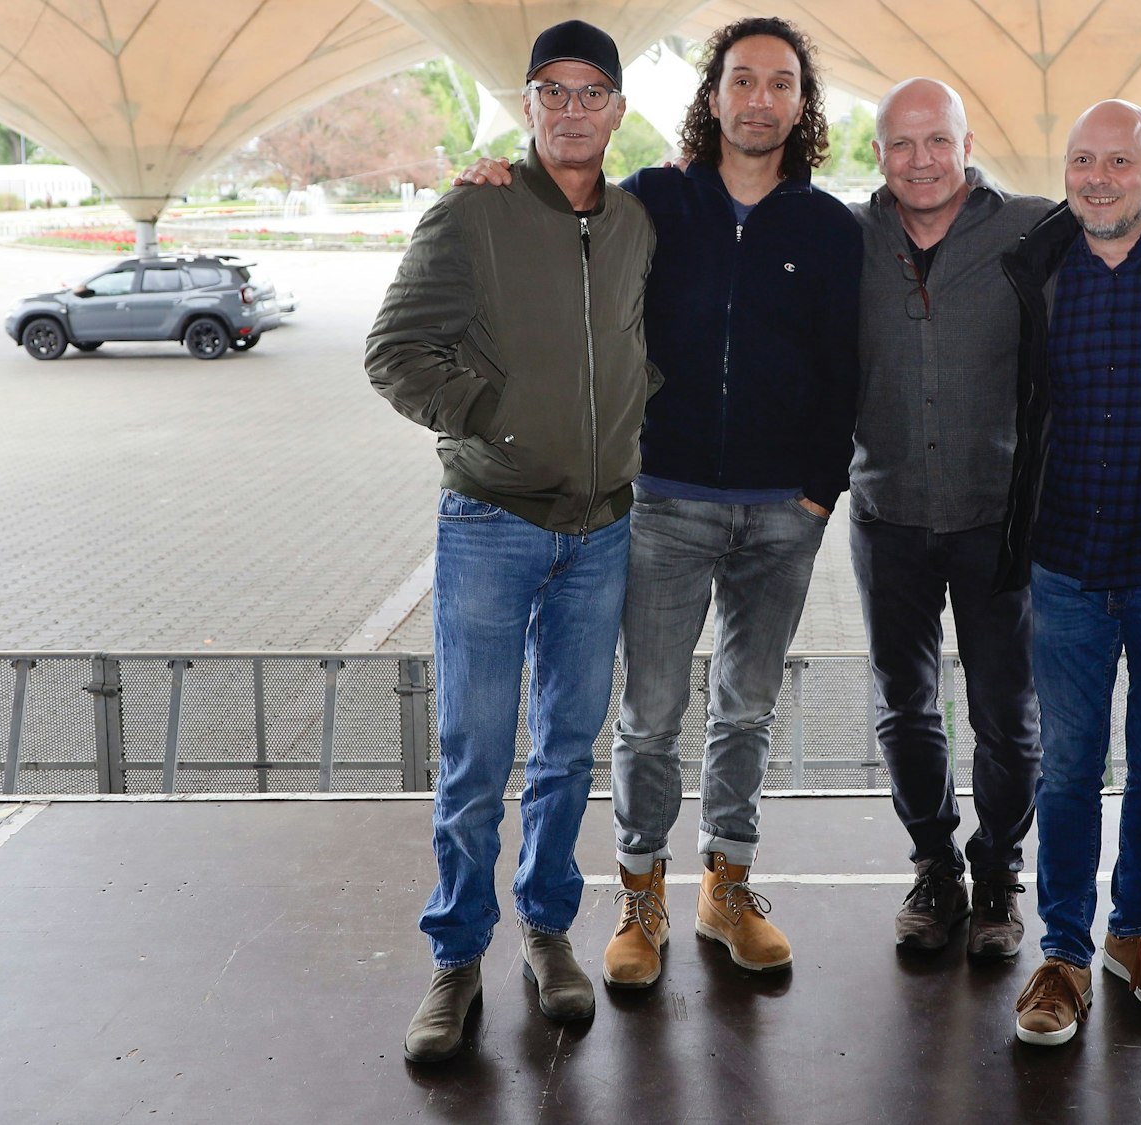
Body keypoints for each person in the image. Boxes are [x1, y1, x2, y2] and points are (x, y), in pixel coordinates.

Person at [456, 15, 860, 986]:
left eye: (779, 83)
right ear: (712, 96)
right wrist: (497, 180)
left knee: (747, 709)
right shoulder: (652, 203)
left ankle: (727, 888)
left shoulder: (827, 226)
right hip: (667, 505)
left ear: (799, 106)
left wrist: (817, 493)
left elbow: (849, 367)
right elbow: (559, 214)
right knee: (650, 712)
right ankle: (642, 896)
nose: (759, 98)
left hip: (781, 516)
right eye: (741, 80)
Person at [365, 20, 657, 1063]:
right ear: (526, 108)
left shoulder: (632, 222)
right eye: (553, 92)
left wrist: (624, 425)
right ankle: (453, 957)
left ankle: (545, 933)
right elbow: (395, 352)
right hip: (491, 520)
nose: (573, 109)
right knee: (476, 756)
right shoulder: (472, 213)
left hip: (604, 526)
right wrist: (492, 415)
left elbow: (639, 344)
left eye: (592, 92)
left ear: (617, 109)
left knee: (569, 751)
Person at [996, 100, 1141, 1046]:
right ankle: (1062, 950)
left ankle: (1135, 931)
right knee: (1067, 769)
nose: (1099, 178)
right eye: (1082, 161)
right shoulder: (1041, 265)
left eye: (1119, 162)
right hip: (1063, 566)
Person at [849, 78, 1050, 959]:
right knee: (905, 703)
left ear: (967, 145)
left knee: (1008, 712)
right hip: (886, 510)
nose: (921, 161)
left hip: (996, 516)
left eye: (938, 142)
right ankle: (935, 863)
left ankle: (1000, 868)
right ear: (880, 153)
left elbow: (1134, 216)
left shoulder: (1031, 227)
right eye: (902, 144)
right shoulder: (847, 238)